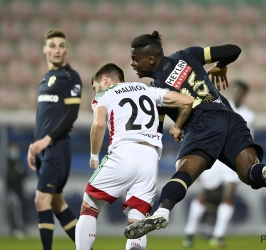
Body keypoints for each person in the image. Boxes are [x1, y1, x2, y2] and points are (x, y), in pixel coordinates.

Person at [124, 31, 266, 239]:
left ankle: (162, 212)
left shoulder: (156, 90)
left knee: (183, 172)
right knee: (250, 174)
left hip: (202, 124)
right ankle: (265, 171)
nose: (132, 64)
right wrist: (222, 65)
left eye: (134, 59)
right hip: (229, 117)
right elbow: (234, 50)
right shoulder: (187, 55)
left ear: (151, 59)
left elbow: (156, 130)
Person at [74, 63, 193, 250]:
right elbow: (186, 101)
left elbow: (98, 125)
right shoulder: (148, 90)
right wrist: (177, 126)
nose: (97, 91)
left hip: (124, 150)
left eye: (96, 86)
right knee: (137, 219)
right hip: (151, 157)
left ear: (104, 79)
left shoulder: (106, 94)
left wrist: (94, 155)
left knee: (89, 207)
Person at [27, 28, 82, 250]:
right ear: (45, 49)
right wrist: (35, 146)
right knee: (58, 205)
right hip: (43, 149)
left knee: (41, 200)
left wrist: (46, 141)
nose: (56, 50)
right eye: (52, 45)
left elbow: (71, 115)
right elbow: (44, 118)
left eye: (61, 46)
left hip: (57, 148)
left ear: (66, 50)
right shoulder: (46, 78)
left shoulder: (70, 77)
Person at [182, 80, 255, 248]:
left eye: (240, 92)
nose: (237, 94)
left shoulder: (250, 116)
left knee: (228, 196)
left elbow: (248, 140)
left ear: (244, 95)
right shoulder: (220, 108)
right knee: (206, 196)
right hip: (217, 159)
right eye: (235, 91)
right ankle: (190, 231)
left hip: (235, 160)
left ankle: (218, 235)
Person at [5, 142, 28, 239]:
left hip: (20, 191)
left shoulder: (19, 162)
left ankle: (22, 226)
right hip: (10, 191)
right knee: (16, 204)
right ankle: (16, 227)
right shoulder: (7, 163)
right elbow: (9, 177)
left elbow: (25, 174)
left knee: (23, 205)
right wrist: (16, 174)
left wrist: (19, 174)